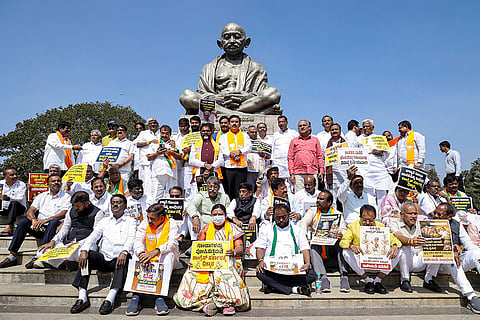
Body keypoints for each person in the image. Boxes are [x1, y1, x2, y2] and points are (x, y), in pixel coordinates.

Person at [179, 22, 281, 115]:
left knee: (273, 93)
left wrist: (245, 97)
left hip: (246, 105)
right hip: (217, 104)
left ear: (247, 42)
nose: (232, 41)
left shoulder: (256, 67)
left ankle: (232, 113)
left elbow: (260, 94)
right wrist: (217, 99)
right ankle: (239, 115)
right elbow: (202, 94)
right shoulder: (209, 67)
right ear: (220, 44)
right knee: (187, 96)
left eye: (237, 37)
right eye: (227, 37)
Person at [174, 204, 250, 316]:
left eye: (220, 214)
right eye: (215, 214)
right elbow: (198, 249)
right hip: (208, 262)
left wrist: (233, 251)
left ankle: (227, 303)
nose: (217, 216)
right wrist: (194, 260)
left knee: (223, 273)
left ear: (225, 215)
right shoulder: (206, 229)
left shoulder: (233, 228)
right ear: (211, 215)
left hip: (228, 260)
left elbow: (239, 247)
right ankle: (205, 304)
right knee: (191, 274)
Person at [70, 194, 136, 315]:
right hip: (104, 258)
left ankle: (110, 299)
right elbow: (93, 236)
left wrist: (124, 251)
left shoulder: (131, 221)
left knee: (124, 259)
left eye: (119, 202)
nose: (115, 204)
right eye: (113, 202)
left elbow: (131, 238)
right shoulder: (104, 221)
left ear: (125, 206)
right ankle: (82, 296)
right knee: (87, 255)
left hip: (119, 259)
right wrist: (84, 250)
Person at [0, 174, 71, 268]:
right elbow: (31, 210)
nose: (56, 183)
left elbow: (64, 213)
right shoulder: (41, 196)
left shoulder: (66, 197)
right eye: (53, 181)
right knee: (23, 222)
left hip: (55, 229)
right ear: (47, 184)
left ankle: (38, 256)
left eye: (58, 181)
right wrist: (33, 220)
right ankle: (12, 256)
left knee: (53, 222)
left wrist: (47, 220)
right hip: (39, 227)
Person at [420, 203, 480, 314]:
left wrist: (459, 248)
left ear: (449, 217)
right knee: (449, 254)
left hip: (454, 262)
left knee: (477, 253)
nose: (436, 216)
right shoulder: (428, 223)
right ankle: (471, 296)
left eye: (439, 214)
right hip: (435, 264)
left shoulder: (456, 225)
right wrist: (451, 247)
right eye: (435, 212)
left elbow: (469, 245)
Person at [126, 204, 180, 316]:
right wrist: (142, 254)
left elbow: (173, 243)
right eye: (148, 217)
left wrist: (156, 251)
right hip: (148, 256)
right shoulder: (145, 223)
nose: (149, 221)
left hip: (164, 257)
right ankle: (136, 295)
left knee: (168, 256)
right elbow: (137, 241)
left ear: (161, 218)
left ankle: (160, 296)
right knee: (136, 256)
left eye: (152, 219)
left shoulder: (172, 223)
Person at [339, 204, 402, 294]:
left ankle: (377, 281)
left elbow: (394, 239)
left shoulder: (381, 226)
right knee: (346, 251)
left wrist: (395, 246)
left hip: (379, 262)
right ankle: (367, 281)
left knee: (399, 251)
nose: (368, 223)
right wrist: (351, 246)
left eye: (371, 220)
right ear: (360, 217)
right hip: (361, 264)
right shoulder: (352, 227)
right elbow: (343, 242)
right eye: (364, 220)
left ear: (375, 218)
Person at [34, 191, 106, 269]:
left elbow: (96, 234)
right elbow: (65, 228)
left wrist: (80, 243)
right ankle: (66, 263)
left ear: (87, 204)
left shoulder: (98, 213)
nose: (75, 208)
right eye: (74, 205)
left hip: (85, 244)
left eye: (78, 206)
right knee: (40, 252)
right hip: (69, 243)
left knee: (84, 254)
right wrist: (53, 241)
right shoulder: (71, 211)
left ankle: (59, 263)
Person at [256, 203, 315, 295]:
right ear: (274, 216)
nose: (281, 220)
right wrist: (260, 260)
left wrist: (307, 263)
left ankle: (274, 286)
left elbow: (304, 248)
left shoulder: (297, 229)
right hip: (273, 270)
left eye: (284, 217)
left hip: (293, 270)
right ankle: (295, 289)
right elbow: (260, 248)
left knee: (312, 274)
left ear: (289, 215)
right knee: (260, 273)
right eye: (278, 217)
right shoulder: (266, 229)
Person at [299, 191, 350, 293]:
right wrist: (305, 237)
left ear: (329, 202)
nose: (318, 201)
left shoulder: (337, 213)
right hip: (318, 244)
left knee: (342, 245)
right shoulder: (313, 211)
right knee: (312, 246)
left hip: (332, 246)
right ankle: (323, 277)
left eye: (321, 199)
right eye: (318, 198)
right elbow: (303, 223)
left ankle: (344, 276)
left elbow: (344, 229)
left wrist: (340, 234)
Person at [352, 119, 394, 205]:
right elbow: (354, 152)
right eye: (363, 127)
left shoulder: (379, 138)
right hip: (365, 169)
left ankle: (382, 214)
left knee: (382, 192)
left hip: (378, 168)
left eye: (367, 126)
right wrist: (369, 151)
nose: (365, 128)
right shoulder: (358, 139)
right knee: (368, 193)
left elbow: (387, 153)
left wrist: (380, 153)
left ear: (372, 128)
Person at [219, 115, 251, 200]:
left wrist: (239, 152)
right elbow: (222, 149)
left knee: (240, 190)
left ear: (240, 124)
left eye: (236, 122)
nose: (234, 124)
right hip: (228, 167)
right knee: (229, 190)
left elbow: (249, 147)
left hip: (241, 167)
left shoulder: (245, 136)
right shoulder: (223, 137)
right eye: (232, 122)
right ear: (229, 124)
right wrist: (231, 154)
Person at [147, 125, 182, 201]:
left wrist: (170, 152)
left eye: (166, 133)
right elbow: (149, 157)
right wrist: (157, 153)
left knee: (171, 196)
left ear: (170, 134)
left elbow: (180, 157)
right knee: (156, 196)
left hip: (171, 173)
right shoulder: (155, 143)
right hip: (157, 173)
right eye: (162, 133)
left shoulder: (174, 144)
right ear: (160, 133)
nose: (164, 135)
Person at [288, 120, 324, 193]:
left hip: (313, 172)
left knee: (313, 196)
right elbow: (290, 158)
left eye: (304, 125)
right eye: (300, 126)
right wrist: (291, 173)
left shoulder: (315, 140)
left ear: (309, 127)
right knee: (299, 196)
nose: (302, 127)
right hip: (298, 173)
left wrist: (321, 171)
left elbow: (319, 156)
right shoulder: (294, 141)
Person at [188, 122, 224, 197]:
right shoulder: (195, 144)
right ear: (200, 132)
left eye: (208, 131)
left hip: (214, 172)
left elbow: (221, 160)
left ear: (212, 132)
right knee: (197, 196)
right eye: (203, 131)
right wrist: (204, 165)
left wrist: (211, 167)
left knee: (216, 195)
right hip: (199, 173)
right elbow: (191, 160)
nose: (205, 133)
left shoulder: (217, 145)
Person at [133, 117, 160, 197]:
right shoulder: (143, 133)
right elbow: (136, 144)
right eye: (151, 123)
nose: (153, 125)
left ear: (158, 124)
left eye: (154, 123)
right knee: (146, 183)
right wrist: (149, 142)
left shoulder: (161, 133)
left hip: (157, 162)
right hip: (145, 163)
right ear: (148, 125)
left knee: (156, 184)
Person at [271, 115, 298, 185]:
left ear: (287, 122)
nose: (281, 124)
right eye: (279, 122)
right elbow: (273, 148)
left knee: (291, 183)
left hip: (290, 162)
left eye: (283, 122)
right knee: (279, 182)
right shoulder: (275, 135)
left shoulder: (293, 133)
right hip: (278, 162)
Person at [324, 123, 348, 201]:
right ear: (330, 132)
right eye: (332, 130)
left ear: (340, 131)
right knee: (332, 200)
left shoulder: (346, 144)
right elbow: (323, 158)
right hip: (332, 176)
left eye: (336, 129)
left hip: (343, 175)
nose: (334, 131)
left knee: (345, 198)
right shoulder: (326, 145)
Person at [0, 168, 27, 236]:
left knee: (14, 203)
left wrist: (8, 198)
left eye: (16, 174)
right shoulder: (1, 184)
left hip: (18, 208)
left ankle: (9, 227)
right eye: (12, 175)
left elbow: (19, 198)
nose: (15, 176)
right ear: (5, 177)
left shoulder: (21, 184)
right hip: (4, 208)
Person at [107, 125, 135, 189]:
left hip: (124, 170)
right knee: (112, 189)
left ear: (126, 132)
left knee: (123, 188)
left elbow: (131, 155)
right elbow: (107, 155)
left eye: (121, 130)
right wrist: (111, 164)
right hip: (112, 170)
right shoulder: (111, 143)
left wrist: (122, 164)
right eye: (117, 130)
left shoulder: (130, 143)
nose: (119, 131)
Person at [173, 117, 190, 193]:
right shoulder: (175, 137)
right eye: (181, 126)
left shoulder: (192, 136)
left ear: (188, 126)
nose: (183, 128)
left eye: (185, 126)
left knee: (187, 185)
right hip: (177, 164)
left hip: (187, 163)